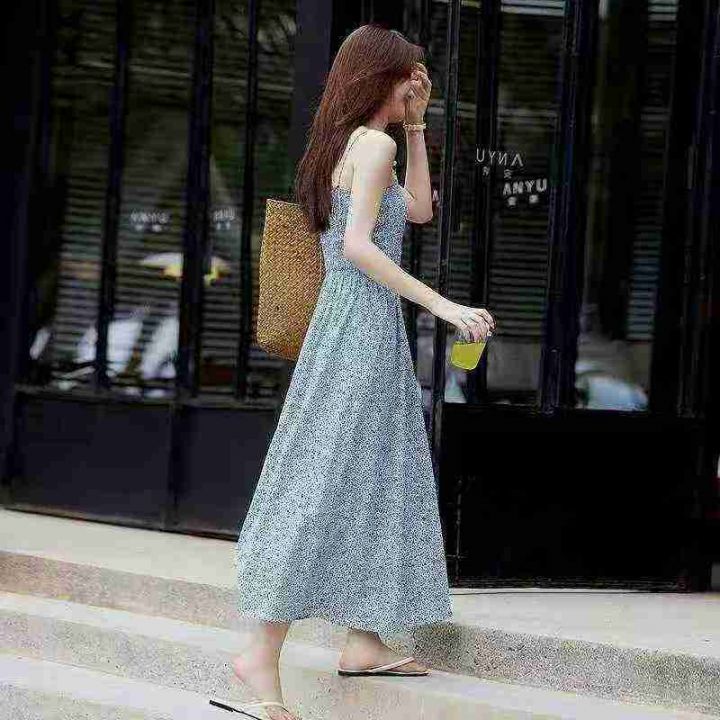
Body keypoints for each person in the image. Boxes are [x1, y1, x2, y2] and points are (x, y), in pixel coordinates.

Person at [211, 24, 495, 720]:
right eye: (409, 76)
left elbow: (418, 212)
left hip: (353, 328)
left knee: (377, 473)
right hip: (360, 327)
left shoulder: (352, 143)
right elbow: (358, 247)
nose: (416, 85)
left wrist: (420, 126)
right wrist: (442, 305)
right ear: (380, 77)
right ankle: (260, 652)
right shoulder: (372, 146)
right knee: (326, 480)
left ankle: (364, 640)